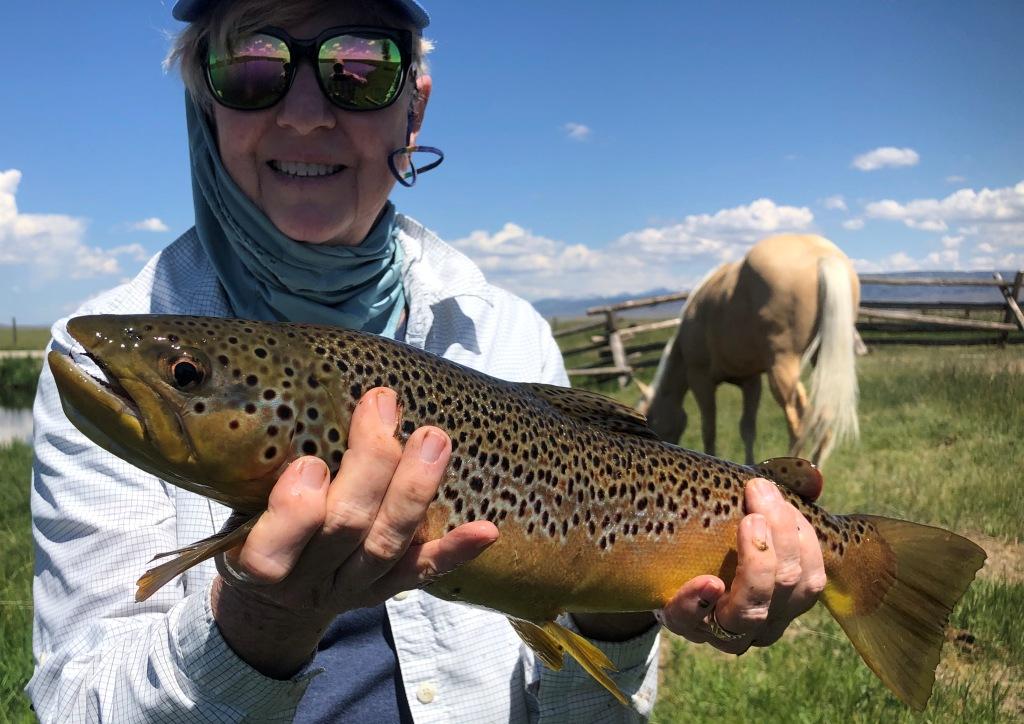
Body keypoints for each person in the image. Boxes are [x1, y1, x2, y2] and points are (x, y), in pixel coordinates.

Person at [27, 1, 826, 721]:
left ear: (414, 108)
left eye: (359, 68)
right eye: (252, 65)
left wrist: (611, 611)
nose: (305, 114)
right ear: (204, 100)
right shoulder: (96, 351)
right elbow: (73, 703)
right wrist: (254, 628)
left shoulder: (505, 333)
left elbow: (592, 715)